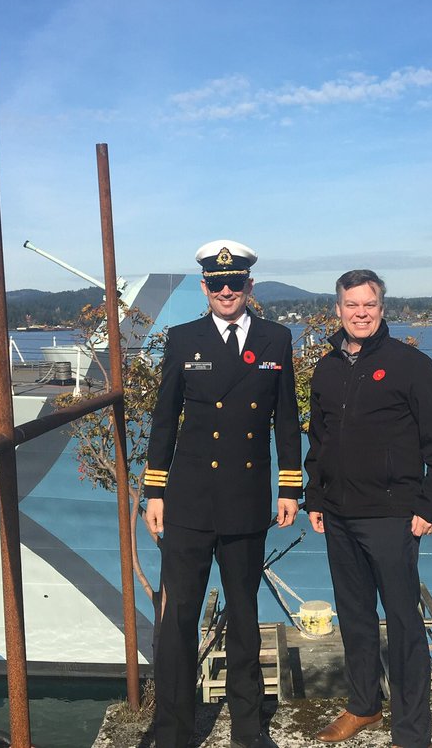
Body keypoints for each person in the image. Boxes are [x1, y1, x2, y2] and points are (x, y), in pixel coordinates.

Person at [144, 240, 303, 748]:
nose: (227, 291)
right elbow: (165, 418)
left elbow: (286, 420)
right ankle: (172, 732)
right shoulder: (182, 339)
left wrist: (290, 487)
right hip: (189, 501)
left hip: (245, 499)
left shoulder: (276, 339)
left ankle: (248, 730)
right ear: (205, 287)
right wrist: (154, 491)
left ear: (249, 285)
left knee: (244, 617)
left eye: (235, 283)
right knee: (179, 620)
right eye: (217, 284)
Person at [304, 269, 432, 748]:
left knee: (404, 622)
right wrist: (315, 496)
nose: (360, 313)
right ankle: (364, 706)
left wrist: (430, 506)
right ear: (338, 310)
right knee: (354, 617)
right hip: (339, 514)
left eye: (369, 304)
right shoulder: (327, 369)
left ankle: (411, 731)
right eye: (351, 305)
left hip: (393, 514)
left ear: (382, 308)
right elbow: (319, 440)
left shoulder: (409, 365)